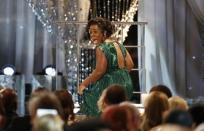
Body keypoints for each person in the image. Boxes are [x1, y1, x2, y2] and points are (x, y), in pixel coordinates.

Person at [78, 17, 134, 116]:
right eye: (90, 32)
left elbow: (100, 71)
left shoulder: (101, 47)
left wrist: (83, 84)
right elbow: (130, 65)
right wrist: (120, 76)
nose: (92, 36)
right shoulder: (118, 44)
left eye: (95, 32)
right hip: (127, 84)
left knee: (87, 95)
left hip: (111, 85)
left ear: (104, 33)